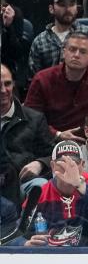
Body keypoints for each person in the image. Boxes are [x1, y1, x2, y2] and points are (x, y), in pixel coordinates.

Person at [24, 140, 88, 247]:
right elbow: (18, 233)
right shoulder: (39, 194)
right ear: (53, 166)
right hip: (51, 256)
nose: (67, 169)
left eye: (73, 164)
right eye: (62, 163)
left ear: (82, 165)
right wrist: (25, 244)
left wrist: (80, 185)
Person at [0, 64, 54, 206]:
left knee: (41, 186)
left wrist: (40, 163)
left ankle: (27, 227)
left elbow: (52, 154)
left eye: (7, 84)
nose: (3, 90)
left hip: (21, 183)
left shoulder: (34, 118)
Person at [28, 0, 88, 77]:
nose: (68, 9)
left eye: (72, 4)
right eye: (62, 5)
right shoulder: (40, 41)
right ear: (51, 9)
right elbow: (36, 78)